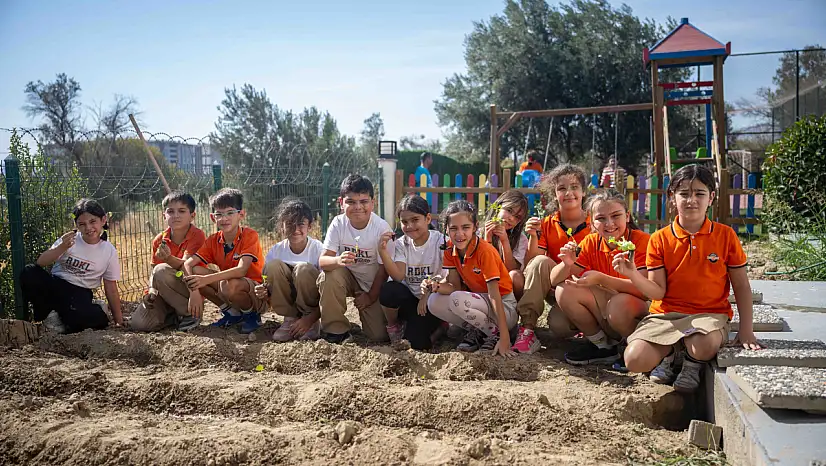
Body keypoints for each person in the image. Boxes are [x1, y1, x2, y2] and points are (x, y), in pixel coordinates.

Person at [621, 164, 762, 393]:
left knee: (702, 346)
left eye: (699, 193)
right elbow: (657, 292)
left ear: (711, 197)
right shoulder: (659, 239)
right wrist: (632, 274)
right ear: (672, 197)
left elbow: (742, 285)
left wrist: (746, 329)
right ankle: (672, 355)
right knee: (635, 359)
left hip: (709, 314)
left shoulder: (725, 235)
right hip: (667, 316)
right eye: (684, 194)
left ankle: (692, 364)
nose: (691, 200)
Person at [550, 189, 650, 365]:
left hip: (636, 310)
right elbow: (554, 281)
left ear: (627, 216)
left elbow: (644, 291)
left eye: (615, 216)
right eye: (601, 218)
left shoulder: (642, 242)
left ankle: (632, 346)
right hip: (607, 307)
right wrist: (566, 263)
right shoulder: (591, 242)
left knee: (619, 305)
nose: (609, 224)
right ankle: (602, 346)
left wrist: (602, 279)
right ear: (593, 222)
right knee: (563, 294)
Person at [511, 164, 592, 354]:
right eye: (562, 188)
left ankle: (590, 325)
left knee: (559, 325)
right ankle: (528, 328)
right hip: (555, 287)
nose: (568, 193)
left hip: (586, 288)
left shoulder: (595, 222)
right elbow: (531, 265)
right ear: (555, 194)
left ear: (583, 192)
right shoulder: (547, 223)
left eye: (574, 187)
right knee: (540, 262)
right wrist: (532, 235)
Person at [424, 200, 517, 357]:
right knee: (433, 301)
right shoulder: (449, 249)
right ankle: (479, 332)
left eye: (465, 227)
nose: (459, 234)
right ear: (446, 229)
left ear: (475, 227)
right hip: (480, 302)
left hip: (504, 307)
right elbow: (454, 286)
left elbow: (494, 295)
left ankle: (497, 335)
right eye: (453, 228)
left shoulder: (484, 251)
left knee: (457, 299)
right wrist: (435, 286)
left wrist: (504, 336)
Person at [20, 198, 123, 333]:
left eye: (92, 222)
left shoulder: (108, 251)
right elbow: (41, 262)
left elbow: (111, 287)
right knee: (29, 272)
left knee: (79, 318)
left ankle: (95, 311)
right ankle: (49, 317)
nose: (88, 228)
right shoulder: (70, 240)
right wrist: (62, 247)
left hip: (80, 291)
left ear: (103, 220)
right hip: (57, 284)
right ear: (76, 225)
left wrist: (118, 320)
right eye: (82, 224)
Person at [318, 175, 394, 344]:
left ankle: (365, 318)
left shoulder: (381, 228)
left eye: (364, 201)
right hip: (347, 279)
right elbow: (323, 261)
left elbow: (384, 270)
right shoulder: (338, 223)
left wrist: (370, 296)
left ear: (372, 203)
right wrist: (338, 260)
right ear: (341, 202)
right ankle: (335, 330)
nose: (358, 207)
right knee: (329, 275)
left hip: (372, 285)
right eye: (351, 202)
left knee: (378, 336)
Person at [182, 188, 267, 334]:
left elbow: (241, 270)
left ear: (241, 214)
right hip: (227, 287)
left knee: (230, 284)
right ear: (212, 217)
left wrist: (206, 279)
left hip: (257, 293)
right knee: (196, 272)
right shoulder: (213, 240)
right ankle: (232, 313)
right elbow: (187, 263)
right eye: (219, 214)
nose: (224, 218)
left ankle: (252, 315)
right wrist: (194, 291)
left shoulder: (249, 235)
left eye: (230, 213)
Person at [130, 191, 207, 332]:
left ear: (192, 216)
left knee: (162, 270)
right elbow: (153, 271)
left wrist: (168, 259)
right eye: (170, 211)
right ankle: (172, 316)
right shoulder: (159, 240)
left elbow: (186, 265)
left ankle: (190, 313)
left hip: (190, 288)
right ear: (163, 215)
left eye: (182, 211)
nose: (176, 215)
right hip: (164, 291)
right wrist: (151, 291)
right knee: (139, 324)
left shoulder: (197, 235)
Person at [377, 195, 446, 349]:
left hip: (432, 300)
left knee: (416, 344)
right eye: (404, 222)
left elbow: (446, 278)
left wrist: (426, 295)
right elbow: (398, 275)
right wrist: (382, 251)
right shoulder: (402, 244)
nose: (409, 226)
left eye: (415, 220)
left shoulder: (441, 242)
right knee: (389, 290)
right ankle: (394, 325)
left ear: (427, 219)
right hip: (410, 301)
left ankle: (441, 328)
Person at [253, 198, 326, 342]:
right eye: (290, 224)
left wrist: (311, 318)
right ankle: (289, 320)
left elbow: (326, 289)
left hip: (312, 307)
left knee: (303, 269)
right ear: (282, 226)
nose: (295, 229)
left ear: (309, 226)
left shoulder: (318, 249)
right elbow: (268, 286)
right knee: (272, 266)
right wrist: (263, 291)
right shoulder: (276, 250)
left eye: (301, 224)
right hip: (289, 302)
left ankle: (311, 324)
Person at [482, 190, 529, 299]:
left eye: (517, 217)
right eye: (509, 210)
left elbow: (512, 271)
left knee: (516, 275)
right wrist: (487, 240)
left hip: (507, 288)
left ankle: (513, 311)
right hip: (483, 283)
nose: (511, 218)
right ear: (498, 207)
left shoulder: (521, 239)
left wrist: (505, 241)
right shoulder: (478, 233)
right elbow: (481, 268)